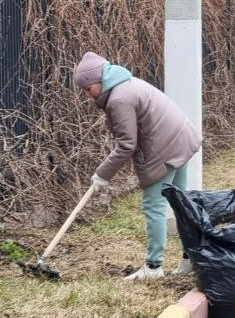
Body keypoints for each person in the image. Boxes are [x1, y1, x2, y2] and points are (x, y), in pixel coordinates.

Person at [74, 51, 202, 280]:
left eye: (87, 88)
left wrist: (102, 174)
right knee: (181, 203)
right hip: (179, 138)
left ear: (98, 81)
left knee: (154, 205)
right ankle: (192, 257)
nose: (87, 95)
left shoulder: (118, 99)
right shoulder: (126, 83)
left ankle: (153, 267)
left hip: (164, 148)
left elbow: (126, 145)